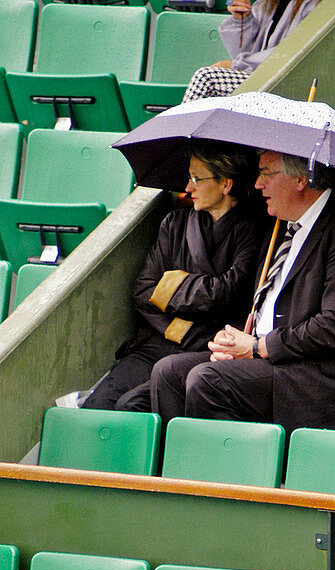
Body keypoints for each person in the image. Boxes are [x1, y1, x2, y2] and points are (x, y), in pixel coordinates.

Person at [150, 149, 335, 435]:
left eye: (265, 173)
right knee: (168, 374)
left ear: (302, 178)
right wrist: (235, 340)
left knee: (209, 380)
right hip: (269, 360)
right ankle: (180, 476)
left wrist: (257, 347)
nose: (256, 184)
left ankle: (232, 478)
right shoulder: (280, 229)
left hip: (316, 375)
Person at [81, 141, 260, 412]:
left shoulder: (253, 232)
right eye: (189, 177)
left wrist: (170, 285)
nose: (188, 188)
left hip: (205, 349)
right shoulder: (174, 224)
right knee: (98, 404)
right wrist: (195, 306)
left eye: (197, 179)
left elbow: (228, 293)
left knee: (132, 407)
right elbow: (143, 292)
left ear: (226, 184)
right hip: (157, 341)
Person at [182, 0, 320, 102]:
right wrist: (242, 20)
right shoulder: (266, 5)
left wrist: (236, 65)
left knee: (207, 78)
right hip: (258, 78)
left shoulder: (315, 5)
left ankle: (171, 137)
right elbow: (243, 53)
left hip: (287, 83)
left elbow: (294, 52)